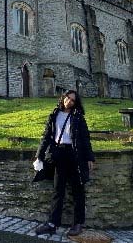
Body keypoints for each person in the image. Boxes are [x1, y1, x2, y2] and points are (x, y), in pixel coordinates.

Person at [33, 89, 95, 238]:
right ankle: (53, 224)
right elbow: (46, 136)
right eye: (68, 98)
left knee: (77, 190)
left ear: (75, 103)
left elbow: (85, 138)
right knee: (58, 190)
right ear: (63, 98)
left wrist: (89, 158)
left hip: (74, 156)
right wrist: (39, 156)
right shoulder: (54, 114)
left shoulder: (78, 117)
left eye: (73, 100)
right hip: (58, 155)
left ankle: (78, 223)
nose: (69, 101)